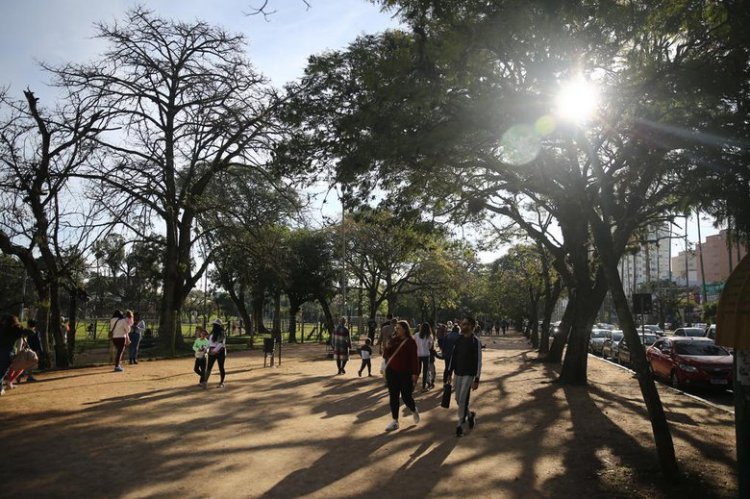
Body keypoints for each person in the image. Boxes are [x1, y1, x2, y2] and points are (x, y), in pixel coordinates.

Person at [445, 316, 483, 437]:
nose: (463, 326)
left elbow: (478, 361)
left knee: (463, 398)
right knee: (457, 399)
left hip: (469, 374)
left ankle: (460, 424)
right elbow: (453, 357)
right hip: (458, 373)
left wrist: (477, 379)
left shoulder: (475, 342)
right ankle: (470, 415)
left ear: (472, 326)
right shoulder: (458, 340)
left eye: (466, 324)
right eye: (462, 324)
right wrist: (449, 373)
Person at [382, 320, 420, 432]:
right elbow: (386, 355)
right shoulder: (394, 340)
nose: (396, 330)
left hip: (405, 373)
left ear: (405, 329)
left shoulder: (411, 342)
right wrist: (387, 347)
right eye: (396, 328)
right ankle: (395, 421)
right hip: (392, 371)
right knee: (393, 396)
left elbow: (414, 359)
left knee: (406, 396)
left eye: (398, 328)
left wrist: (415, 373)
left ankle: (413, 409)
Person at [1, 315, 29, 395]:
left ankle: (8, 384)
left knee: (7, 370)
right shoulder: (16, 331)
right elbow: (23, 339)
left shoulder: (3, 329)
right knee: (6, 370)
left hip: (6, 352)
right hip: (10, 352)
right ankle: (7, 384)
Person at [202, 319, 227, 388]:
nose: (214, 326)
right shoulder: (212, 334)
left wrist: (214, 350)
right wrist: (205, 349)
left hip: (220, 352)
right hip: (212, 351)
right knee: (209, 367)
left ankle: (221, 383)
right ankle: (205, 382)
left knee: (221, 367)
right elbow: (209, 343)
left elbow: (221, 343)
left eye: (215, 325)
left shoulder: (222, 333)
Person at [414, 323, 434, 391]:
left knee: (417, 370)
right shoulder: (429, 336)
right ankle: (423, 387)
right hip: (426, 355)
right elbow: (430, 347)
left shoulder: (416, 335)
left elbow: (413, 343)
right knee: (425, 371)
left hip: (418, 355)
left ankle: (413, 385)